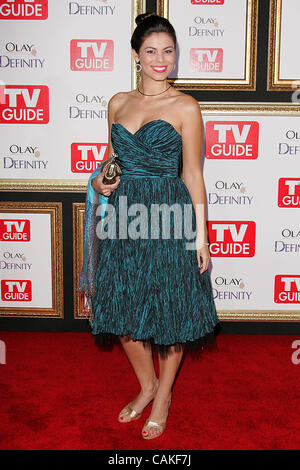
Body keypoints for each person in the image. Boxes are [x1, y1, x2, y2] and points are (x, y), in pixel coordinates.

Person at [77, 12, 220, 440]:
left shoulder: (185, 106)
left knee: (171, 311)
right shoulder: (117, 103)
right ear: (137, 55)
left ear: (176, 57)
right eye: (152, 51)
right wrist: (102, 178)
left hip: (169, 215)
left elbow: (192, 174)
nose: (161, 59)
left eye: (169, 51)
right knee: (120, 309)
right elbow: (113, 163)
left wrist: (202, 235)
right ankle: (147, 385)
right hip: (124, 215)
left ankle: (162, 398)